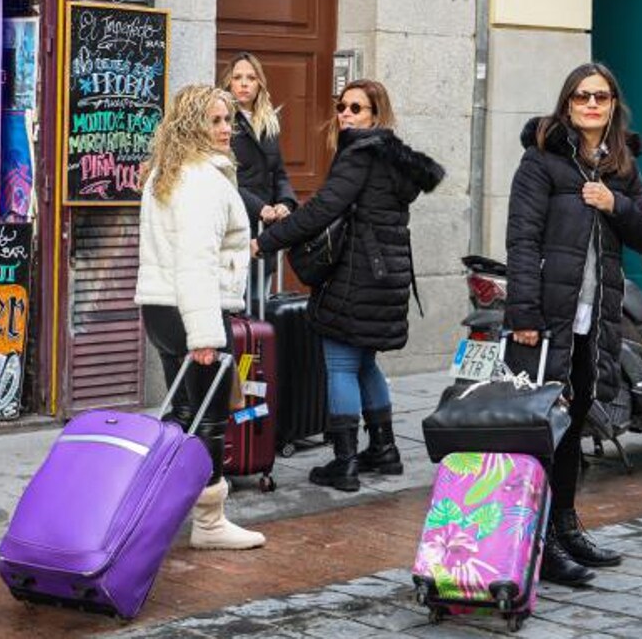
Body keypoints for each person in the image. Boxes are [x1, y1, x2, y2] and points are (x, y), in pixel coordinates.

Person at [504, 62, 642, 586]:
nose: (591, 105)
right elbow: (521, 241)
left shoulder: (622, 167)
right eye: (581, 96)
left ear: (614, 105)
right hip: (549, 317)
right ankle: (538, 541)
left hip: (596, 321)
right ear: (566, 103)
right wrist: (523, 314)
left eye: (602, 96)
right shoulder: (540, 162)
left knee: (574, 426)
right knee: (544, 428)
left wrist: (615, 203)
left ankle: (566, 526)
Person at [251, 80, 444, 492]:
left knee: (340, 363)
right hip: (387, 277)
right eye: (342, 106)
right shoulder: (393, 159)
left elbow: (323, 209)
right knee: (365, 363)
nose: (346, 115)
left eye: (357, 108)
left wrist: (267, 240)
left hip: (358, 276)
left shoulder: (359, 154)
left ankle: (344, 462)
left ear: (376, 115)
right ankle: (384, 450)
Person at [133, 84, 265, 550]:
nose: (227, 129)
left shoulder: (166, 173)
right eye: (215, 120)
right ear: (193, 125)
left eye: (229, 119)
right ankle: (209, 523)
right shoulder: (202, 180)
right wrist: (206, 334)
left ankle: (161, 510)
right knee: (208, 419)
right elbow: (194, 260)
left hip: (163, 307)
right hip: (196, 311)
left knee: (181, 414)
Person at [218, 52, 296, 291]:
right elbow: (223, 179)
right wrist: (258, 207)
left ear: (259, 83)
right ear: (228, 83)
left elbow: (279, 172)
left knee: (261, 300)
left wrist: (286, 201)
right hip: (236, 222)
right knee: (236, 304)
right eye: (237, 77)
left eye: (250, 78)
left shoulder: (268, 121)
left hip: (266, 228)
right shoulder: (223, 122)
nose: (244, 83)